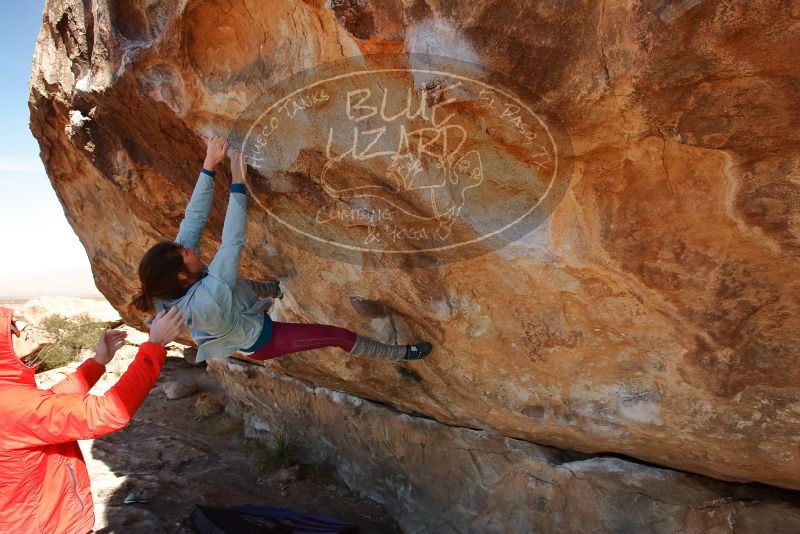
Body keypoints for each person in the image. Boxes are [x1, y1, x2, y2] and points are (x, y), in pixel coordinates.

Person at [131, 135, 432, 363]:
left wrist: (209, 165)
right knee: (337, 336)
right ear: (183, 276)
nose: (189, 247)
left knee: (242, 286)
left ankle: (275, 289)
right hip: (263, 340)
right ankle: (401, 353)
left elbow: (193, 220)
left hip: (240, 308)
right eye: (184, 252)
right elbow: (232, 243)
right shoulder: (206, 300)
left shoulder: (183, 277)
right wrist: (238, 183)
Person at [0, 306, 185, 534]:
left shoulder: (8, 393)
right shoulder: (8, 403)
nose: (23, 328)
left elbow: (50, 402)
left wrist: (98, 362)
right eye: (11, 329)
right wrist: (155, 345)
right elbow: (109, 411)